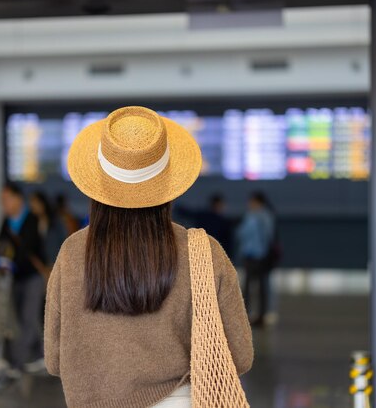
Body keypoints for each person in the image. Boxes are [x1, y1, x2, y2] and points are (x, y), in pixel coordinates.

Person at [44, 106, 253, 407]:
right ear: (168, 183)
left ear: (97, 183)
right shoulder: (203, 252)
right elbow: (239, 355)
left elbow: (54, 360)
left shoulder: (73, 253)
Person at [0, 182, 45, 371]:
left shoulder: (31, 219)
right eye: (2, 201)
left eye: (7, 199)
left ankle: (18, 361)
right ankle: (41, 354)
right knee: (26, 319)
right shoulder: (6, 222)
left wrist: (11, 256)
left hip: (32, 277)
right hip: (16, 278)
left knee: (28, 317)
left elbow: (27, 249)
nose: (4, 204)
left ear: (18, 199)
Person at [236, 191, 276, 328]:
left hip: (257, 255)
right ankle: (253, 314)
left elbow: (243, 234)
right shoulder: (261, 216)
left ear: (258, 202)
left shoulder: (257, 216)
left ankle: (255, 315)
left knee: (256, 286)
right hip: (254, 255)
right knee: (254, 286)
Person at [29, 191, 67, 278]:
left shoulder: (56, 221)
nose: (33, 206)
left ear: (43, 203)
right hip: (40, 266)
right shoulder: (32, 223)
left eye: (35, 203)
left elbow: (63, 239)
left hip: (55, 262)